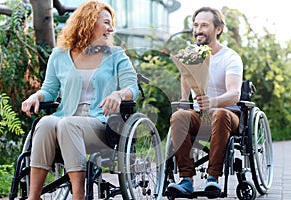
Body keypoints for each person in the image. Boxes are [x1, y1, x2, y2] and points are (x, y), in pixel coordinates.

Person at [21, 1, 139, 199]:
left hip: (100, 125)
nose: (111, 29)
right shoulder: (59, 55)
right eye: (107, 23)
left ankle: (78, 195)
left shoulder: (117, 55)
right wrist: (36, 96)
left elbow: (132, 87)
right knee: (46, 122)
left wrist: (118, 94)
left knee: (68, 124)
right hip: (65, 120)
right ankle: (34, 197)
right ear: (89, 23)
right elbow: (49, 90)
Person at [167, 7, 243, 194]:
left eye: (204, 25)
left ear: (218, 29)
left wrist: (213, 102)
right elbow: (186, 79)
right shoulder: (192, 54)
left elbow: (235, 94)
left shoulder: (230, 57)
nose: (198, 30)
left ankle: (213, 177)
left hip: (227, 115)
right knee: (179, 117)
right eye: (195, 25)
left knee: (219, 113)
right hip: (200, 116)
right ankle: (186, 179)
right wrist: (185, 99)